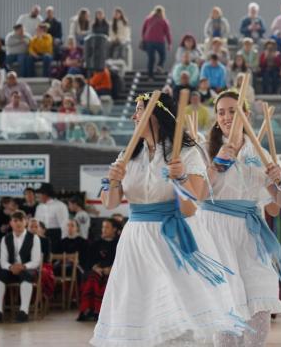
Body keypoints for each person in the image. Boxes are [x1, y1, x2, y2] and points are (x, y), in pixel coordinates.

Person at [91, 92, 243, 345]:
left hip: (172, 239)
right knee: (140, 309)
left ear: (156, 116)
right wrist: (114, 182)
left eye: (139, 110)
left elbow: (190, 208)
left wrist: (181, 178)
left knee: (177, 314)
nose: (133, 116)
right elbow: (111, 203)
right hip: (136, 241)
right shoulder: (128, 155)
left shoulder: (186, 152)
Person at [196, 89, 281, 346]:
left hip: (251, 233)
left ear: (247, 115)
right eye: (222, 112)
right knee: (228, 309)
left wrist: (280, 181)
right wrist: (216, 165)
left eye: (233, 111)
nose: (227, 117)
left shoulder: (259, 151)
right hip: (216, 231)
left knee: (260, 307)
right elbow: (199, 194)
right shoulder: (204, 148)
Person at [0, 210, 41, 323]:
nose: (18, 223)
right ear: (11, 223)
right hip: (10, 269)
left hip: (28, 269)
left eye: (21, 220)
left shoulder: (34, 238)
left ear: (26, 222)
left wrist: (22, 266)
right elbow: (2, 261)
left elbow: (36, 261)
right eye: (15, 220)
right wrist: (11, 267)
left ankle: (24, 312)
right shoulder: (5, 239)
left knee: (26, 276)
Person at [76, 219, 119, 322]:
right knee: (92, 279)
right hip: (97, 271)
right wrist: (95, 267)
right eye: (103, 227)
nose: (103, 230)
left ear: (114, 229)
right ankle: (88, 310)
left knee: (108, 282)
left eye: (107, 227)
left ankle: (102, 311)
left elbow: (122, 260)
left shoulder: (119, 243)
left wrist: (111, 269)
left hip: (113, 271)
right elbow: (88, 261)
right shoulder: (96, 243)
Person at [33, 183, 69, 253]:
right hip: (41, 237)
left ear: (45, 194)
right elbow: (36, 223)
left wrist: (64, 243)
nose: (37, 196)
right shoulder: (39, 207)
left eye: (39, 194)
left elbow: (64, 225)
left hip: (56, 237)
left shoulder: (60, 206)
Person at [141, 5, 172, 80]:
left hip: (149, 41)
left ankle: (150, 76)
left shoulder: (148, 19)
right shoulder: (164, 21)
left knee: (151, 59)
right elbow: (167, 33)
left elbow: (143, 29)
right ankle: (159, 66)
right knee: (163, 55)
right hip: (159, 41)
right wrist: (169, 43)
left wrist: (143, 39)